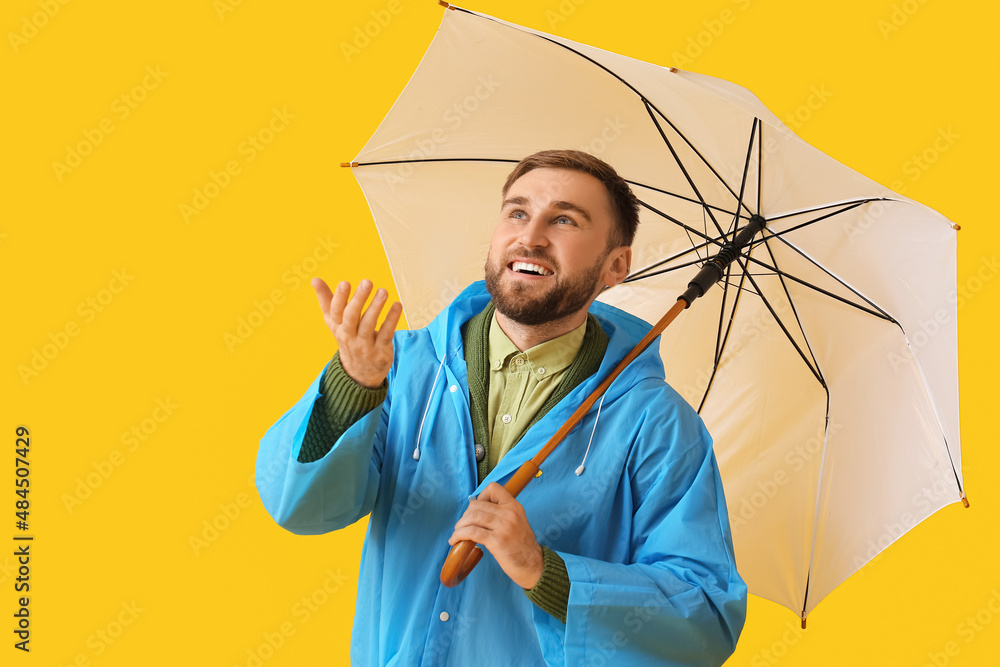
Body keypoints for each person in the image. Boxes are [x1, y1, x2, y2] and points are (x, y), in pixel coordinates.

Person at [256, 150, 747, 665]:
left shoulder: (658, 425)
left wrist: (544, 571)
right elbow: (300, 508)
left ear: (615, 266)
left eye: (563, 220)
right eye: (517, 212)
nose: (530, 237)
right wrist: (354, 387)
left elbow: (706, 619)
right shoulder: (395, 367)